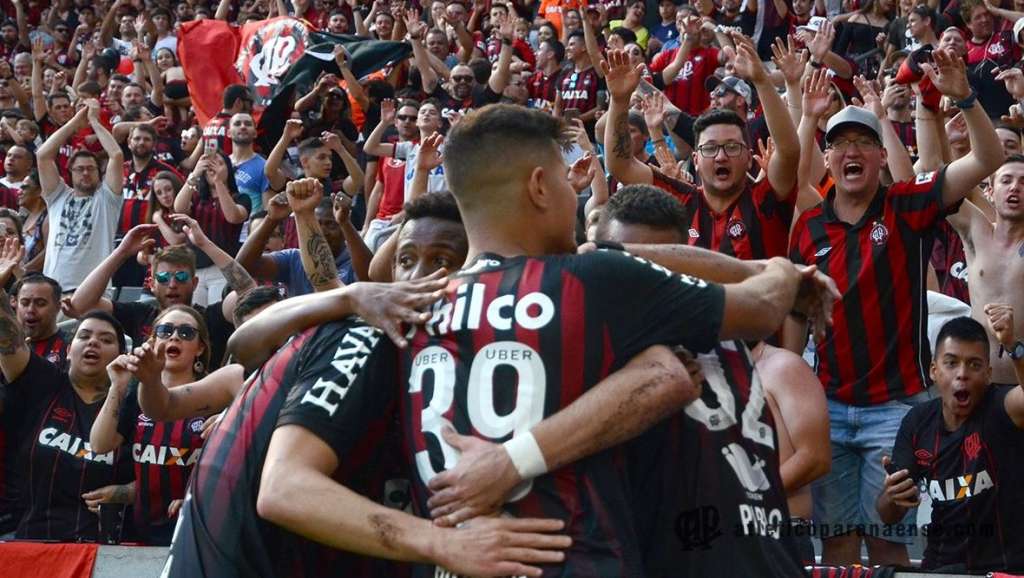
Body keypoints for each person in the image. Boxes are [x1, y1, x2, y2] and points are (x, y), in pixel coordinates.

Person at [398, 103, 836, 576]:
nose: (578, 193)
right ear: (540, 187)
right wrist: (780, 268)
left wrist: (335, 300)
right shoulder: (590, 284)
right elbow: (744, 321)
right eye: (568, 180)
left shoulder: (410, 313)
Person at [162, 186, 573, 577]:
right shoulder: (368, 335)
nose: (417, 278)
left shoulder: (431, 357)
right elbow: (284, 488)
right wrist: (443, 544)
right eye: (407, 260)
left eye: (442, 261)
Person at [789, 47, 1004, 565]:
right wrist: (794, 392)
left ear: (883, 155)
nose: (852, 152)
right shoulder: (809, 227)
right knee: (838, 545)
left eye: (864, 141)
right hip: (829, 408)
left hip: (896, 411)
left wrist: (965, 97)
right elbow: (797, 317)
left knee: (889, 544)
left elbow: (988, 160)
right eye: (841, 144)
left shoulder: (907, 205)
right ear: (830, 158)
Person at [588, 184, 828, 573]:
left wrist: (780, 272)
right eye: (629, 276)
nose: (646, 290)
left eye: (665, 274)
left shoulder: (728, 337)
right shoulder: (593, 351)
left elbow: (774, 283)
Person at [606, 39, 801, 261]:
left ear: (749, 158)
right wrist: (619, 101)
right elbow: (619, 165)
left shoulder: (766, 199)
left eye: (732, 147)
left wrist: (762, 81)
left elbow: (789, 151)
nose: (721, 156)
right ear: (696, 160)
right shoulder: (680, 199)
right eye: (710, 148)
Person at [877, 313, 1024, 572]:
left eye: (974, 365)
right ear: (934, 370)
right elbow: (889, 516)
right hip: (941, 569)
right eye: (951, 363)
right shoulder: (917, 422)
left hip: (1004, 569)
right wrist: (892, 497)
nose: (962, 374)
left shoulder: (1001, 407)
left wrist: (1013, 345)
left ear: (989, 374)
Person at [0, 304, 133, 541]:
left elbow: (160, 473)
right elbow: (8, 343)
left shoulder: (134, 406)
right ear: (70, 350)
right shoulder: (44, 383)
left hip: (103, 554)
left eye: (106, 339)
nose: (93, 342)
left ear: (120, 357)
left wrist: (130, 492)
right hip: (29, 542)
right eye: (84, 336)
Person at [90, 305, 212, 546]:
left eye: (186, 332)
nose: (174, 337)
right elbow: (100, 444)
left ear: (200, 348)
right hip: (139, 535)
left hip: (196, 533)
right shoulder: (135, 395)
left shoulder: (214, 396)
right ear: (153, 341)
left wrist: (194, 497)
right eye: (165, 331)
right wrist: (118, 386)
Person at [69, 219, 254, 369]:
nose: (172, 284)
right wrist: (122, 252)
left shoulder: (211, 317)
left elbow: (249, 292)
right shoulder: (140, 315)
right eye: (164, 277)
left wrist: (204, 244)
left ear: (195, 283)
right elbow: (80, 305)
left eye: (181, 276)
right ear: (152, 284)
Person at [947, 155, 1024, 387]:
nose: (1015, 187)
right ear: (989, 191)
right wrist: (932, 121)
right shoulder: (976, 230)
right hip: (974, 386)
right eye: (1006, 180)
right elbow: (936, 179)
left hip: (1019, 387)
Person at [37, 99, 124, 293]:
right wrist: (75, 121)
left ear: (99, 173)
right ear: (70, 172)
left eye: (91, 169)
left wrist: (94, 121)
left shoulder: (107, 199)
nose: (85, 173)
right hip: (53, 292)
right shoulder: (58, 196)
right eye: (80, 169)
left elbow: (116, 156)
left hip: (92, 293)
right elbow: (43, 155)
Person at [12, 272, 71, 367]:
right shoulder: (8, 347)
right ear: (15, 304)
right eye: (25, 303)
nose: (31, 310)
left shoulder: (70, 345)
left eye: (40, 303)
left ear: (58, 307)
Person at [226, 112, 270, 213]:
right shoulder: (221, 164)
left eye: (248, 124)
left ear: (255, 133)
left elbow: (268, 213)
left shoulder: (265, 167)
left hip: (250, 227)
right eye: (237, 124)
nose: (243, 127)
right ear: (228, 133)